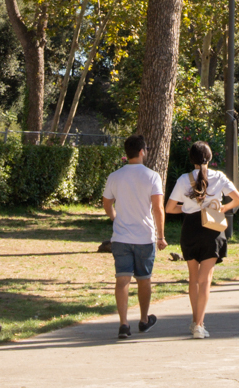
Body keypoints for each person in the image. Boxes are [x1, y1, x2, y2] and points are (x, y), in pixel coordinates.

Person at [168, 140, 239, 339]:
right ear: (209, 158)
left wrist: (187, 208)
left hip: (190, 229)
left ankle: (195, 322)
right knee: (205, 280)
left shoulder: (183, 179)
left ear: (191, 159)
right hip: (212, 229)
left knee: (193, 279)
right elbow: (238, 199)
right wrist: (222, 208)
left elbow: (169, 208)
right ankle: (199, 326)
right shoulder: (219, 177)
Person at [101, 134, 167, 340]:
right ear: (141, 151)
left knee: (122, 280)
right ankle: (144, 319)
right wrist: (161, 236)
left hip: (121, 237)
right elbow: (158, 208)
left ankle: (123, 324)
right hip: (145, 237)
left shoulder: (115, 176)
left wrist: (114, 217)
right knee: (144, 279)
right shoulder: (152, 176)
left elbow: (106, 203)